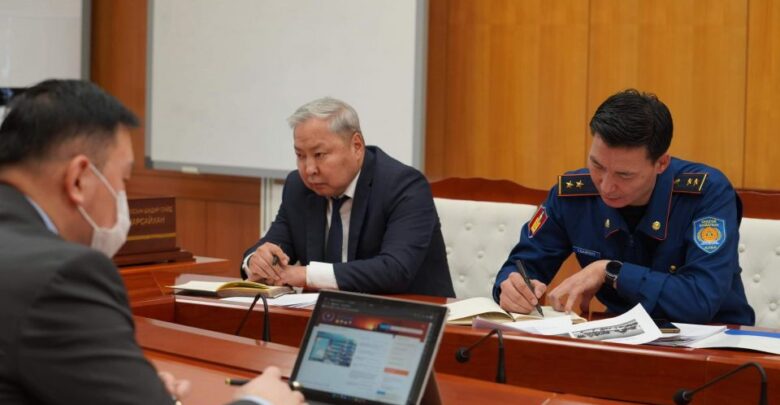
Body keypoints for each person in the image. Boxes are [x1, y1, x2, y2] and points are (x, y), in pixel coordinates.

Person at [0, 79, 304, 405]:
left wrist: (128, 386)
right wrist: (259, 403)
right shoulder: (64, 277)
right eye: (123, 180)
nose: (122, 195)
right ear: (78, 180)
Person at [493, 89, 754, 325]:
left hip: (716, 343)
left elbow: (699, 300)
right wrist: (511, 287)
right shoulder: (572, 196)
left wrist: (610, 271)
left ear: (661, 163)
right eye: (597, 165)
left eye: (624, 175)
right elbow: (521, 265)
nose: (606, 186)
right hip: (622, 338)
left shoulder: (707, 193)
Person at [242, 97, 454, 297]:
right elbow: (273, 244)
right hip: (324, 315)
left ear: (356, 146)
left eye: (319, 155)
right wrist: (256, 262)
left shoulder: (404, 186)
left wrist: (305, 275)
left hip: (410, 315)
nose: (309, 169)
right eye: (300, 155)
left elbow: (395, 269)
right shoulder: (299, 187)